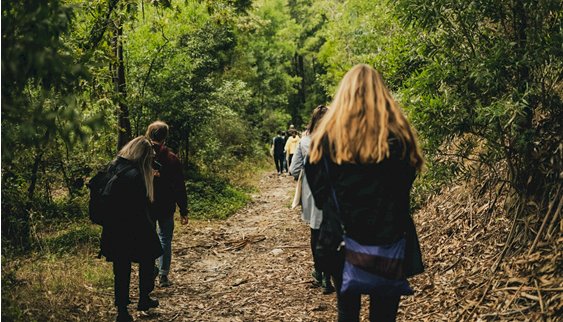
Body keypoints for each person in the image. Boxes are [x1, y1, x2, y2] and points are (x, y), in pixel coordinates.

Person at [304, 64, 425, 322]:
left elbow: (319, 189)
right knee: (384, 313)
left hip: (342, 239)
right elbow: (406, 183)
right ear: (381, 95)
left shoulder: (327, 140)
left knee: (347, 310)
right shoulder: (400, 138)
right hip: (389, 238)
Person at [100, 136, 163, 322]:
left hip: (113, 228)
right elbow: (139, 207)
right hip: (134, 228)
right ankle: (143, 298)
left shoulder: (114, 167)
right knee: (148, 260)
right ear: (143, 155)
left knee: (121, 269)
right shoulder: (135, 175)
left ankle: (122, 310)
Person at [289, 105, 334, 294]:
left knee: (315, 233)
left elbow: (294, 169)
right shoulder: (338, 140)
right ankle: (331, 274)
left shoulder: (305, 142)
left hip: (312, 193)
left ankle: (320, 272)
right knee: (332, 232)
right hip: (334, 192)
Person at [145, 121, 189, 287]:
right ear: (165, 137)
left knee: (148, 239)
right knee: (165, 239)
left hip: (146, 206)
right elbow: (179, 187)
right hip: (165, 206)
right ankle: (163, 275)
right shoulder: (172, 159)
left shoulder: (141, 156)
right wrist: (183, 210)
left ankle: (149, 272)